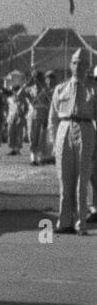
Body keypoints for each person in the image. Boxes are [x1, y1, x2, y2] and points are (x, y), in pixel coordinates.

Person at [49, 48, 95, 235]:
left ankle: (80, 223)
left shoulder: (94, 88)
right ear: (70, 65)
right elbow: (52, 118)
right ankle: (64, 221)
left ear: (88, 66)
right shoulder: (60, 88)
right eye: (75, 62)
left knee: (82, 179)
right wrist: (53, 142)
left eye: (82, 63)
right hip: (64, 127)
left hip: (85, 128)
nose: (78, 66)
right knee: (64, 178)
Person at [25, 70, 51, 165]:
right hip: (32, 115)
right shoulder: (30, 89)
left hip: (42, 115)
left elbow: (49, 103)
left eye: (37, 77)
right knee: (32, 137)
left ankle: (40, 158)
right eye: (34, 78)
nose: (36, 80)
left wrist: (48, 117)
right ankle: (33, 159)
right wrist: (27, 83)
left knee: (41, 138)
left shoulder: (46, 90)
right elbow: (18, 95)